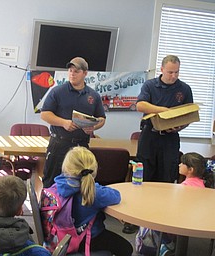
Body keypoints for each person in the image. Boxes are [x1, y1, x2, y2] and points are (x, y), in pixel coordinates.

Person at [53, 146, 133, 255]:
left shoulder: (57, 185)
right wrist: (95, 185)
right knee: (126, 248)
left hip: (59, 238)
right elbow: (116, 196)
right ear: (94, 168)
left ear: (66, 167)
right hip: (86, 239)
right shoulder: (94, 192)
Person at [41, 57, 106, 188]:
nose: (72, 74)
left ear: (85, 73)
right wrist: (63, 122)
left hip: (81, 145)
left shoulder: (93, 95)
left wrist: (93, 127)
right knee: (52, 182)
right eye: (70, 70)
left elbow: (102, 118)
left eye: (76, 71)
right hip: (59, 143)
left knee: (80, 183)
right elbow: (44, 114)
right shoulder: (58, 91)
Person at [136, 55, 193, 183]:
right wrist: (165, 111)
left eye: (177, 72)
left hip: (170, 138)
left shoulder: (185, 89)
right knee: (145, 174)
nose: (173, 76)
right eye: (170, 72)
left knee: (167, 175)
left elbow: (189, 115)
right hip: (150, 135)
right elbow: (140, 105)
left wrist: (180, 126)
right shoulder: (150, 85)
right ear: (162, 69)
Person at [158, 152, 214, 255]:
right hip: (196, 221)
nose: (179, 165)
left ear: (190, 170)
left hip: (181, 222)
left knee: (154, 221)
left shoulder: (184, 187)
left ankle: (168, 245)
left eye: (182, 163)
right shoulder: (201, 183)